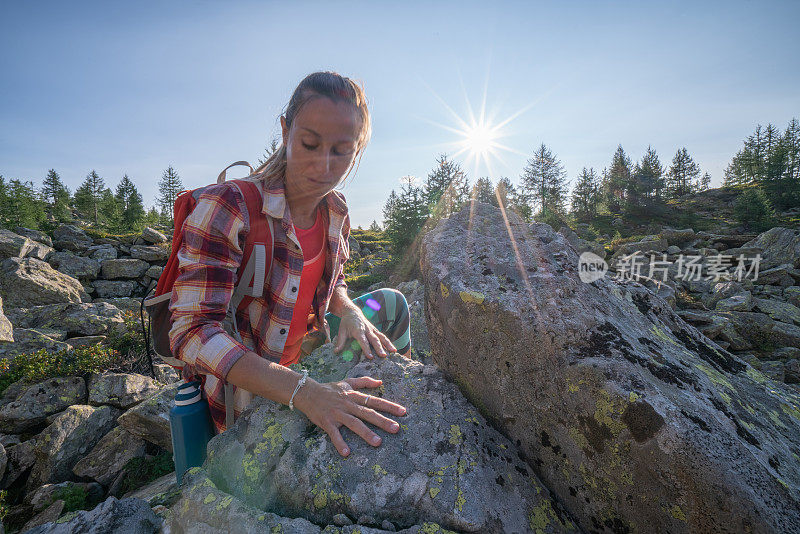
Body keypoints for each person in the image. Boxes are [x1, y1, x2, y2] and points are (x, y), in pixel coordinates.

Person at [168, 71, 410, 458]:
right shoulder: (229, 207)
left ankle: (408, 403)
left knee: (391, 304)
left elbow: (334, 281)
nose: (323, 166)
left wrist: (348, 311)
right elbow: (191, 332)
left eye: (342, 151)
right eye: (309, 144)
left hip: (310, 366)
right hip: (249, 395)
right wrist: (305, 393)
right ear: (285, 130)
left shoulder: (336, 210)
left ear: (358, 148)